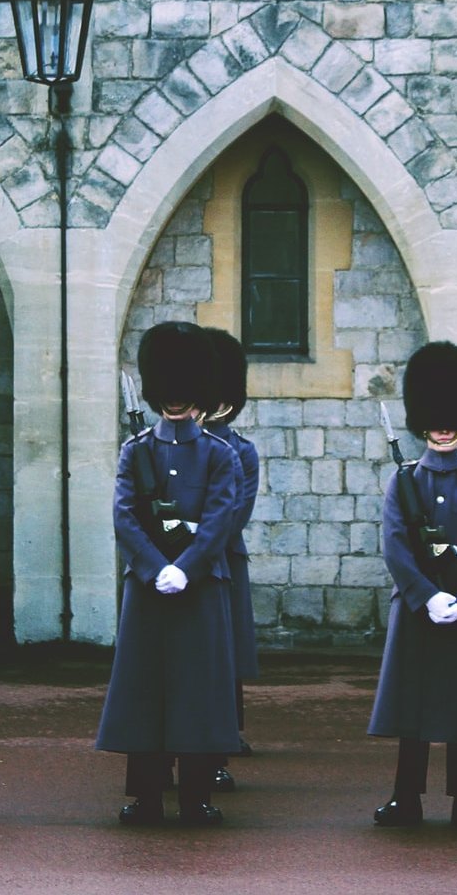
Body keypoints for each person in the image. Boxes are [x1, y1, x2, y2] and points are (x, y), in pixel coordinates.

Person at [95, 321, 242, 827]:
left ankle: (197, 796)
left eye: (184, 391)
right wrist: (157, 568)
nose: (175, 401)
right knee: (147, 690)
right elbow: (124, 516)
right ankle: (147, 796)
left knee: (196, 691)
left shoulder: (219, 454)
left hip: (199, 589)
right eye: (169, 391)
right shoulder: (136, 450)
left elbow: (222, 517)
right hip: (148, 587)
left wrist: (188, 568)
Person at [368, 340, 457, 829]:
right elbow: (396, 549)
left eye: (452, 418)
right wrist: (429, 597)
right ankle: (407, 797)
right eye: (435, 418)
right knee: (414, 708)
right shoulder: (403, 482)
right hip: (418, 608)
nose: (444, 428)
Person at [202, 327, 261, 791]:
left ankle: (226, 734)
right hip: (179, 563)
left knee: (223, 656)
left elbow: (235, 513)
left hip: (222, 561)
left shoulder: (241, 450)